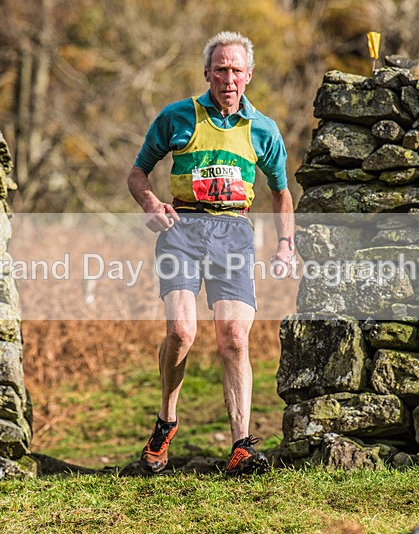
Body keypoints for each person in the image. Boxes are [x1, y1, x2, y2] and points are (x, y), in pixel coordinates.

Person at [127, 31, 295, 476]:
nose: (228, 77)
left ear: (249, 76)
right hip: (182, 230)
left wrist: (285, 243)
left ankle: (240, 446)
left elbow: (281, 192)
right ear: (207, 73)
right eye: (220, 68)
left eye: (236, 70)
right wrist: (151, 204)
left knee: (234, 338)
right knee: (182, 332)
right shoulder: (177, 116)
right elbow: (138, 173)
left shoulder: (264, 129)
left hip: (235, 234)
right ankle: (166, 423)